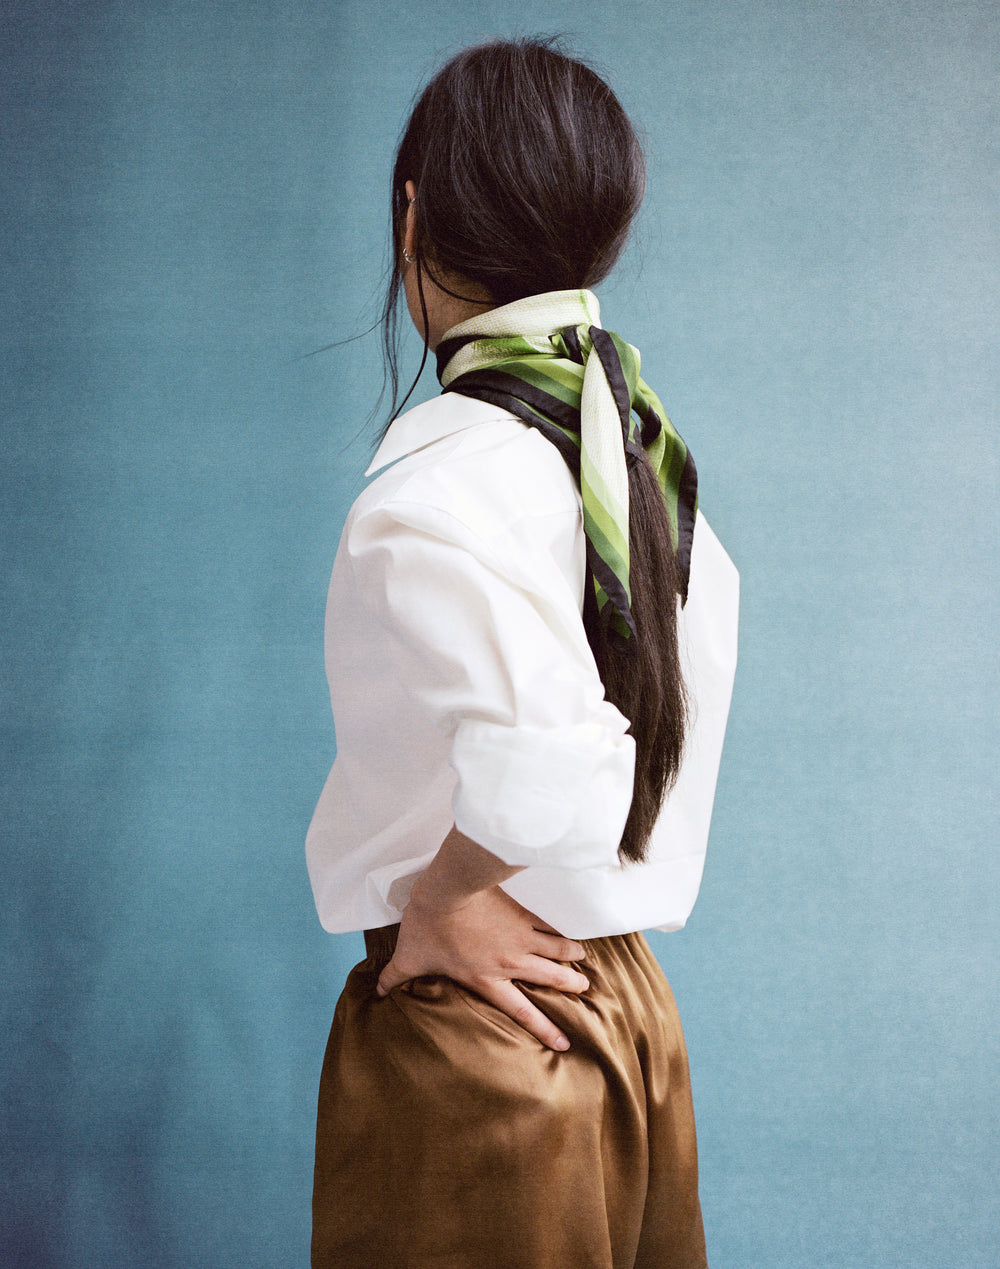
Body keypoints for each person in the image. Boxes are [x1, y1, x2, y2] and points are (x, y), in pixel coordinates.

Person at [306, 37, 738, 1269]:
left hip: (484, 1027)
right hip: (629, 1009)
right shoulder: (641, 466)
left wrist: (433, 900)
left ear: (411, 220)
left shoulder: (441, 482)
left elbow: (551, 766)